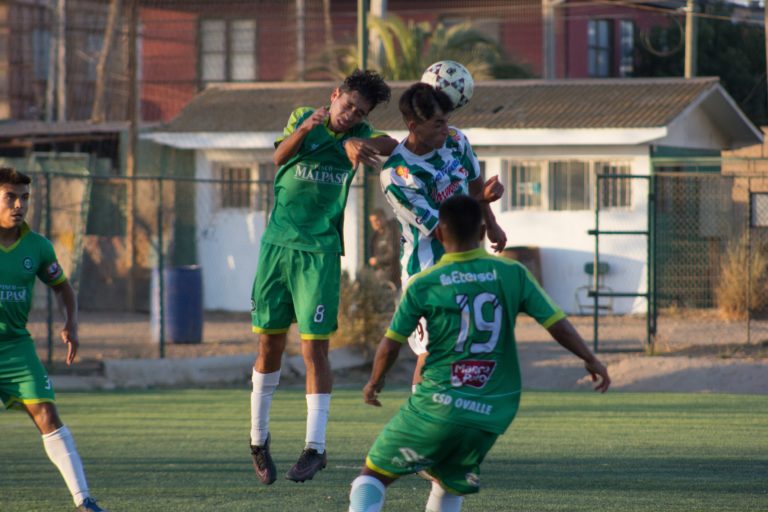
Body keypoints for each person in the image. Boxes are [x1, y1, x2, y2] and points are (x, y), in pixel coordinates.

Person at [348, 194, 611, 512]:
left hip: (439, 404)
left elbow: (390, 344)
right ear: (484, 231)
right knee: (448, 485)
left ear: (441, 234)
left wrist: (374, 382)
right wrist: (590, 358)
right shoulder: (512, 273)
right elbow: (557, 324)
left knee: (371, 477)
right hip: (490, 412)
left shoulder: (424, 283)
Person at [249, 69, 398, 485]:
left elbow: (392, 144)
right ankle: (258, 440)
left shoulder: (362, 132)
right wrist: (308, 128)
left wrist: (358, 142)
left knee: (315, 350)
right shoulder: (302, 117)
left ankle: (315, 448)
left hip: (320, 254)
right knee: (269, 346)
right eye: (348, 105)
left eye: (360, 112)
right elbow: (278, 158)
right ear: (334, 96)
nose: (351, 114)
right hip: (277, 248)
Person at [380, 82, 507, 388]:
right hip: (426, 273)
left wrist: (491, 222)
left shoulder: (455, 140)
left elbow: (475, 182)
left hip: (465, 263)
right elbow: (441, 230)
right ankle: (419, 424)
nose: (445, 129)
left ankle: (454, 420)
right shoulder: (398, 174)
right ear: (414, 126)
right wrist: (482, 202)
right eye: (437, 124)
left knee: (463, 350)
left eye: (446, 120)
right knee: (431, 352)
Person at [0, 167, 107, 512]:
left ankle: (83, 501)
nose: (19, 205)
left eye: (24, 198)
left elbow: (63, 288)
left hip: (16, 348)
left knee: (47, 414)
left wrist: (71, 324)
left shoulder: (38, 246)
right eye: (10, 197)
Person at [368, 208, 401, 290]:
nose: (375, 223)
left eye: (376, 220)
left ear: (384, 217)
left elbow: (393, 254)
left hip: (392, 275)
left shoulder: (392, 231)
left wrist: (377, 260)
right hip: (379, 274)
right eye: (372, 222)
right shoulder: (375, 237)